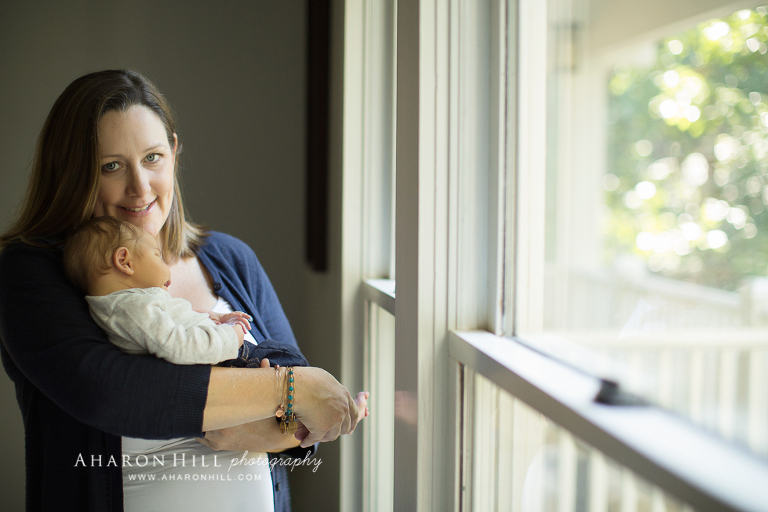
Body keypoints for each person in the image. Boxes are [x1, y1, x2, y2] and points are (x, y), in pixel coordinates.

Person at [0, 69, 360, 512]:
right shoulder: (33, 270)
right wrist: (288, 390)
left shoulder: (231, 258)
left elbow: (312, 414)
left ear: (173, 151)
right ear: (71, 173)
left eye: (152, 157)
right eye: (111, 166)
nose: (139, 187)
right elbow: (108, 392)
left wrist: (281, 421)